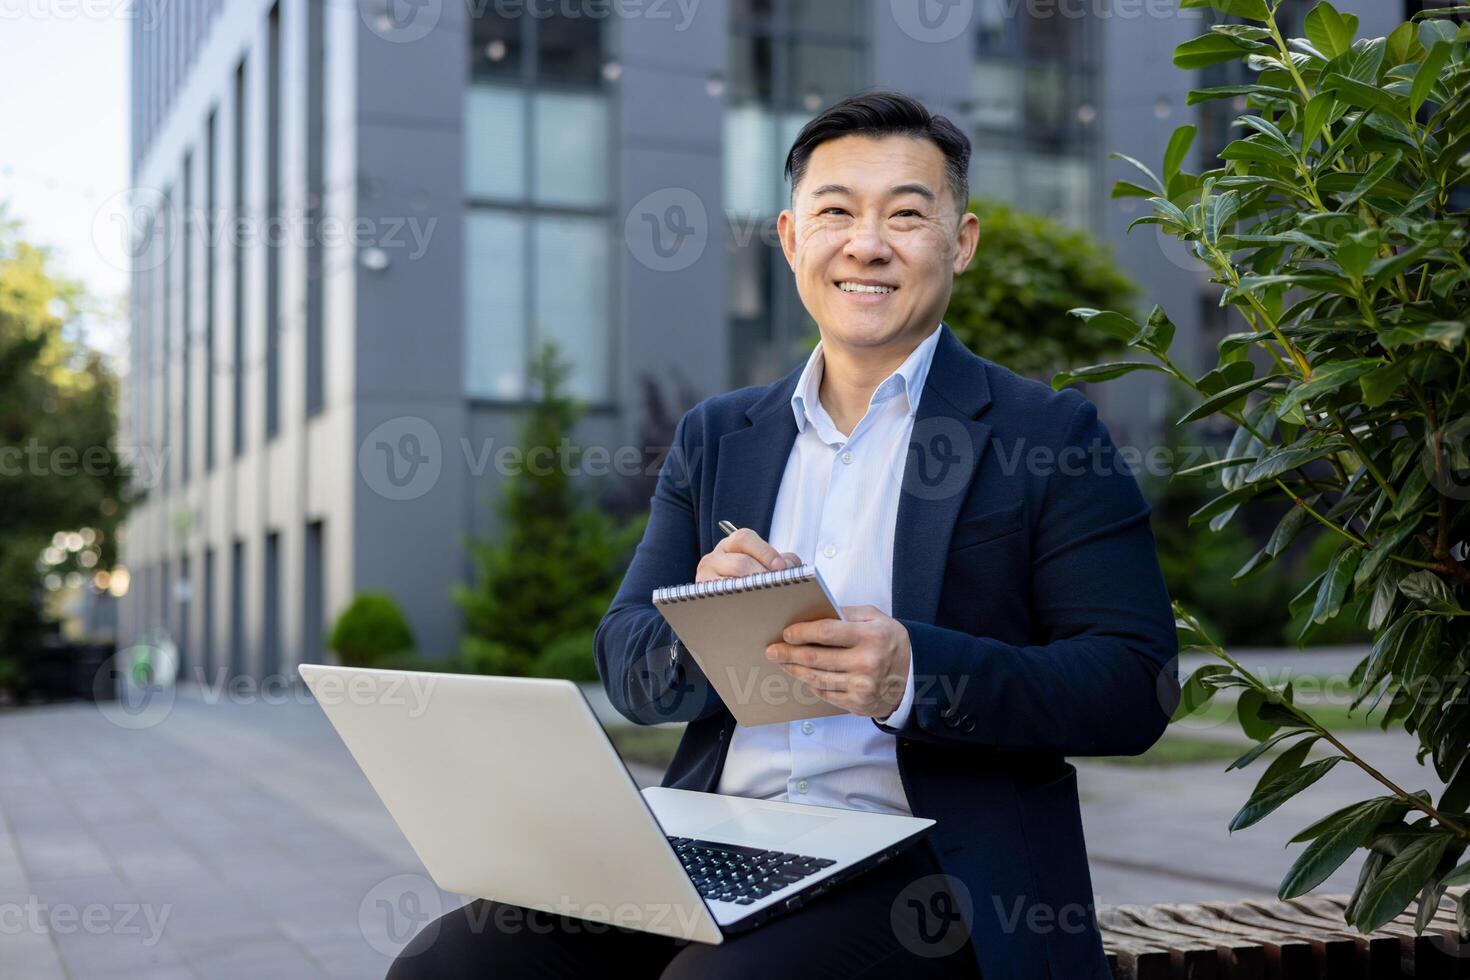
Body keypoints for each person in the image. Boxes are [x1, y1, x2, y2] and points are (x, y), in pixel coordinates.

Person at [388, 90, 1177, 980]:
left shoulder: (1045, 435)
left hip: (927, 873)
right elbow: (627, 661)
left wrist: (913, 673)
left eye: (906, 215)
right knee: (451, 963)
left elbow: (1132, 685)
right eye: (835, 211)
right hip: (716, 845)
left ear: (960, 244)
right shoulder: (718, 436)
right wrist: (705, 620)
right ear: (792, 237)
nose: (867, 243)